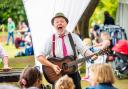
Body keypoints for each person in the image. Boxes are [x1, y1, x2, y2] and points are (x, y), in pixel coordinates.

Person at [37, 12, 96, 89]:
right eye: (57, 22)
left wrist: (91, 54)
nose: (59, 23)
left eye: (62, 21)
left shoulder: (74, 37)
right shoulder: (50, 40)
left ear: (66, 24)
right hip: (57, 75)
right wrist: (52, 66)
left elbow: (83, 50)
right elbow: (39, 57)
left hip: (73, 73)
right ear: (53, 25)